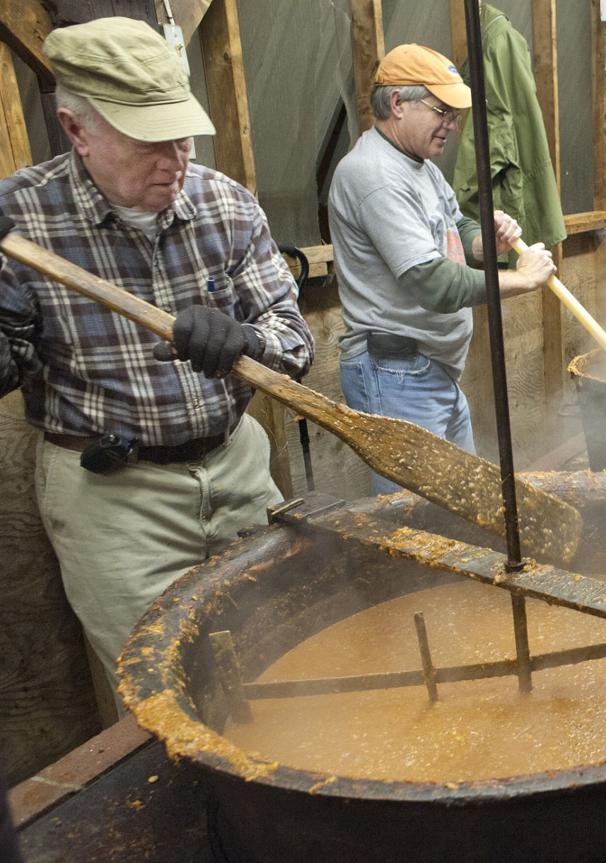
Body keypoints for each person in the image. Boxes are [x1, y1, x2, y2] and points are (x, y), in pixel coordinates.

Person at [0, 18, 314, 706]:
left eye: (183, 133)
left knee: (286, 660)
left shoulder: (223, 204)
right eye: (150, 140)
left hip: (236, 467)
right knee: (165, 693)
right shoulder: (22, 223)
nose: (176, 157)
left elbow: (293, 337)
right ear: (76, 129)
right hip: (116, 500)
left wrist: (247, 340)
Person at [328, 43, 555, 490]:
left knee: (459, 510)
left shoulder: (419, 164)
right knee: (419, 526)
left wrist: (484, 242)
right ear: (397, 103)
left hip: (428, 370)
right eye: (442, 111)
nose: (452, 125)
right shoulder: (374, 175)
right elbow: (431, 283)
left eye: (454, 114)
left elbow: (457, 224)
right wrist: (522, 278)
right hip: (396, 375)